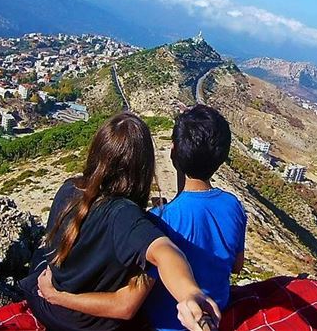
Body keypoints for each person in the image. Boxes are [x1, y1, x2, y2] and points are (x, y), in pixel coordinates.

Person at [38, 105, 246, 331]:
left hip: (166, 322)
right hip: (216, 309)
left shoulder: (159, 219)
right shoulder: (233, 205)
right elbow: (236, 266)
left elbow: (132, 297)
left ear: (173, 152)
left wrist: (190, 294)